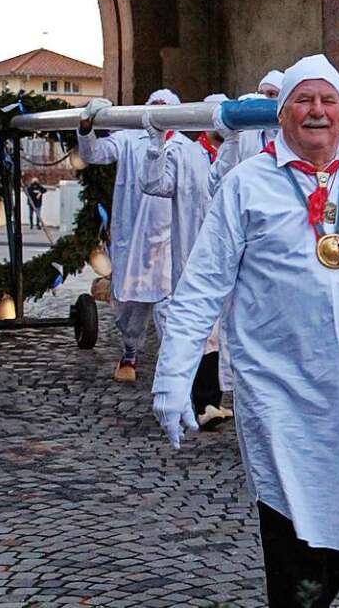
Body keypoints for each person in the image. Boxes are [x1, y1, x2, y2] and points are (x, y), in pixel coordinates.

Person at [152, 54, 339, 607]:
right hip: (281, 390)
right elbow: (201, 288)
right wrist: (173, 379)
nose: (317, 112)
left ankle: (309, 597)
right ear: (282, 113)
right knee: (288, 522)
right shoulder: (247, 185)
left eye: (328, 100)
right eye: (304, 101)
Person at [141, 93, 231, 429]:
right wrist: (154, 145)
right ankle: (195, 400)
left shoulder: (245, 154)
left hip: (230, 257)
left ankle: (212, 400)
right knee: (198, 328)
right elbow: (154, 184)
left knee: (223, 333)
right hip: (193, 252)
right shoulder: (184, 153)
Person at [78, 91, 173, 383]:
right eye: (155, 108)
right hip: (133, 237)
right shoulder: (129, 139)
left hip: (170, 240)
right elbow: (94, 154)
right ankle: (130, 350)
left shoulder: (185, 148)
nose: (160, 113)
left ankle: (172, 366)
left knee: (171, 307)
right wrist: (86, 126)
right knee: (129, 306)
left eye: (166, 109)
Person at [207, 70, 284, 195]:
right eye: (261, 94)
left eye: (271, 94)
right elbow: (216, 185)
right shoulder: (244, 138)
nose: (263, 100)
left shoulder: (298, 138)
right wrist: (230, 142)